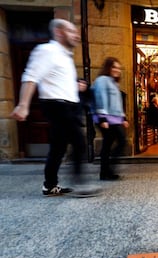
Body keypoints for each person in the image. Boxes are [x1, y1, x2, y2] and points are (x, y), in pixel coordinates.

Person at [10, 18, 98, 197]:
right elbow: (31, 76)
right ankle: (81, 184)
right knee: (79, 143)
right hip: (57, 105)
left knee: (58, 148)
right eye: (71, 31)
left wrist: (76, 87)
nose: (76, 36)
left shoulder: (65, 56)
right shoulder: (47, 51)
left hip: (67, 106)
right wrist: (23, 105)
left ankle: (50, 185)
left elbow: (57, 82)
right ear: (59, 32)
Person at [92, 57, 129, 180]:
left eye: (118, 68)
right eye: (114, 67)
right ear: (108, 68)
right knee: (120, 142)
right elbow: (100, 98)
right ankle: (108, 169)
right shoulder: (102, 80)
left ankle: (105, 172)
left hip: (114, 119)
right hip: (107, 119)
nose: (117, 70)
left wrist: (123, 118)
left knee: (109, 145)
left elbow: (117, 103)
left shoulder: (113, 82)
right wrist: (102, 119)